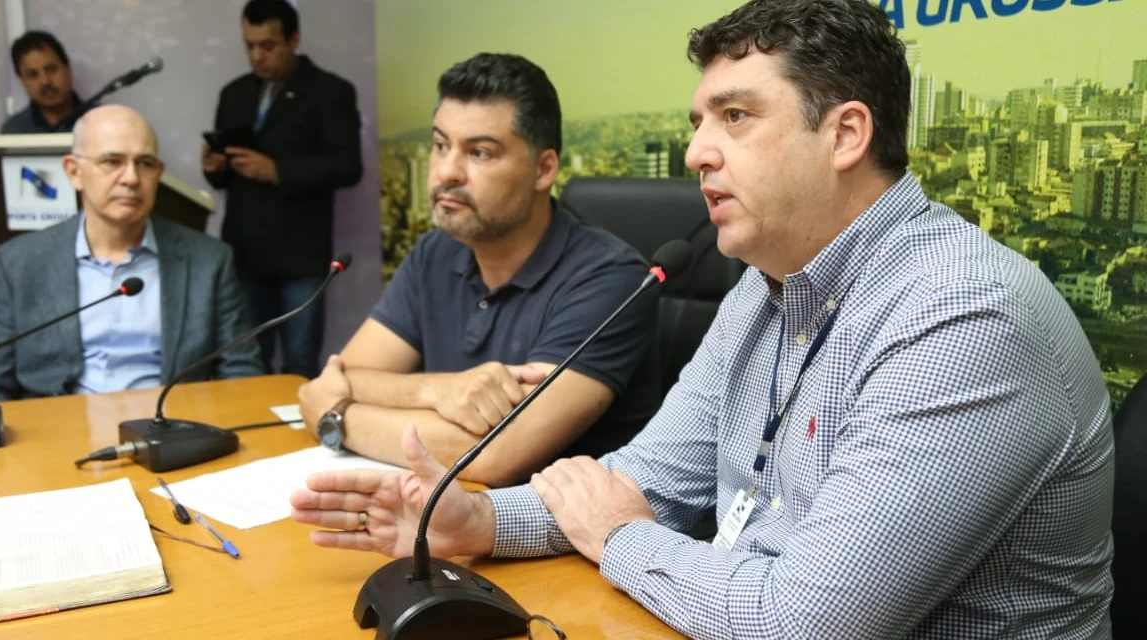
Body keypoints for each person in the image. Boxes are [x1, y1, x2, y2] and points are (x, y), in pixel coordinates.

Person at [290, 1, 1115, 637]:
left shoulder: (966, 318)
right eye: (698, 124)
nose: (696, 153)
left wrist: (621, 538)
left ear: (845, 134)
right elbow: (646, 479)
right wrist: (477, 521)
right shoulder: (765, 287)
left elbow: (805, 623)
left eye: (736, 117)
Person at [297, 53, 662, 488]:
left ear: (543, 169)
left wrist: (336, 416)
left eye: (480, 153)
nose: (447, 171)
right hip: (438, 509)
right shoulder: (435, 252)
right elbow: (345, 374)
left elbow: (494, 454)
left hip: (560, 524)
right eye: (440, 145)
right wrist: (437, 391)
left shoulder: (610, 278)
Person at [0, 105, 263, 402]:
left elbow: (242, 374)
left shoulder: (209, 261)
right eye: (112, 162)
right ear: (74, 172)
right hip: (58, 425)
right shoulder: (19, 262)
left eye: (145, 163)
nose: (131, 178)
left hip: (170, 423)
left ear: (158, 174)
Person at [203, 0, 363, 378]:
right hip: (244, 254)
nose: (257, 56)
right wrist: (214, 169)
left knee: (299, 365)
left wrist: (278, 171)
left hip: (300, 257)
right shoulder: (234, 93)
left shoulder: (331, 91)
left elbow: (348, 167)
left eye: (268, 45)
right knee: (244, 365)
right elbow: (225, 177)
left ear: (293, 40)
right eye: (249, 45)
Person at [0, 31, 93, 135]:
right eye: (33, 75)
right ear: (22, 81)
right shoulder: (14, 131)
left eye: (51, 69)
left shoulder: (100, 120)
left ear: (68, 70)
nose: (45, 81)